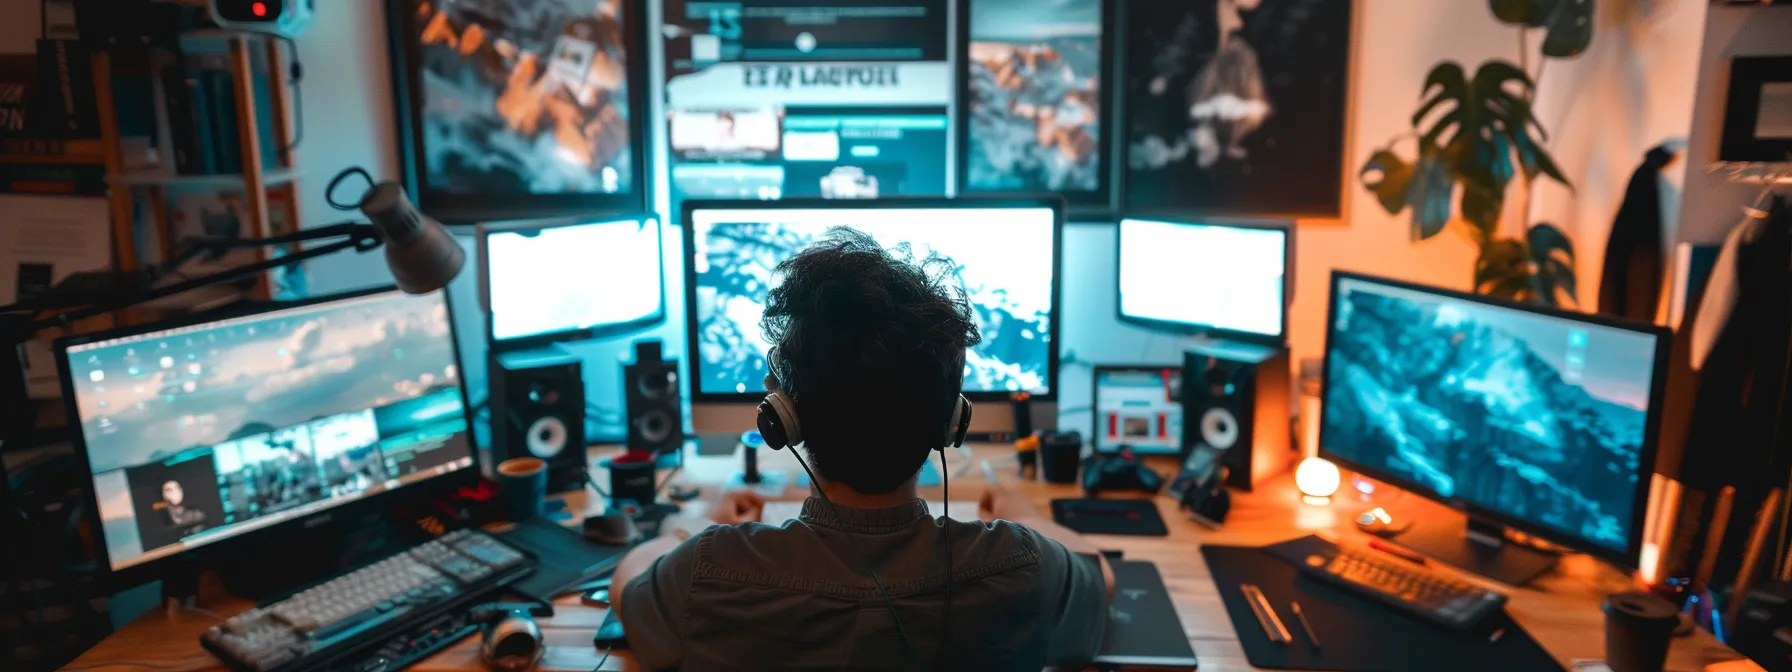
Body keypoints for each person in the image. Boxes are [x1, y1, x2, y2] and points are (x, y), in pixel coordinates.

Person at [613, 228, 1113, 670]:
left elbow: (628, 587)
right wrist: (1023, 512)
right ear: (951, 420)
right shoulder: (1021, 564)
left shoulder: (706, 570)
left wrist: (697, 520)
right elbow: (1099, 578)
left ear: (786, 416)